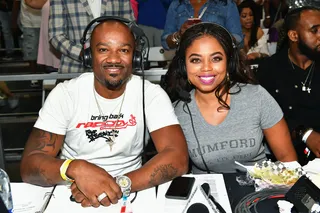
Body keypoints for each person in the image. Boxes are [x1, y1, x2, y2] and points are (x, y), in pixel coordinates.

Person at [20, 18, 189, 207]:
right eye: (103, 50)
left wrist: (119, 184)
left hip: (131, 188)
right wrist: (76, 168)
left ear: (135, 57)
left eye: (124, 50)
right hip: (71, 192)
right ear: (89, 56)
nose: (114, 59)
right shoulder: (65, 94)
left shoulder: (150, 94)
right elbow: (29, 166)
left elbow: (178, 158)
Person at [162, 22, 297, 173]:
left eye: (216, 58)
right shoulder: (176, 113)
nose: (206, 68)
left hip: (260, 192)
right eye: (195, 60)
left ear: (229, 62)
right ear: (183, 66)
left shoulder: (257, 96)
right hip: (206, 194)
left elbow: (287, 159)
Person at [257, 6, 320, 165]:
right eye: (315, 30)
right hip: (284, 159)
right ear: (293, 35)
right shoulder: (269, 70)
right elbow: (266, 118)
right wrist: (305, 134)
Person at [49, 0, 134, 73]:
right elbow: (56, 35)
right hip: (74, 69)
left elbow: (130, 29)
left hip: (115, 69)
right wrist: (82, 54)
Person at [161, 0, 243, 50]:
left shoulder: (226, 4)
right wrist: (179, 35)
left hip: (216, 61)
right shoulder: (177, 4)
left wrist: (216, 35)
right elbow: (165, 42)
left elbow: (238, 38)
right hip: (184, 64)